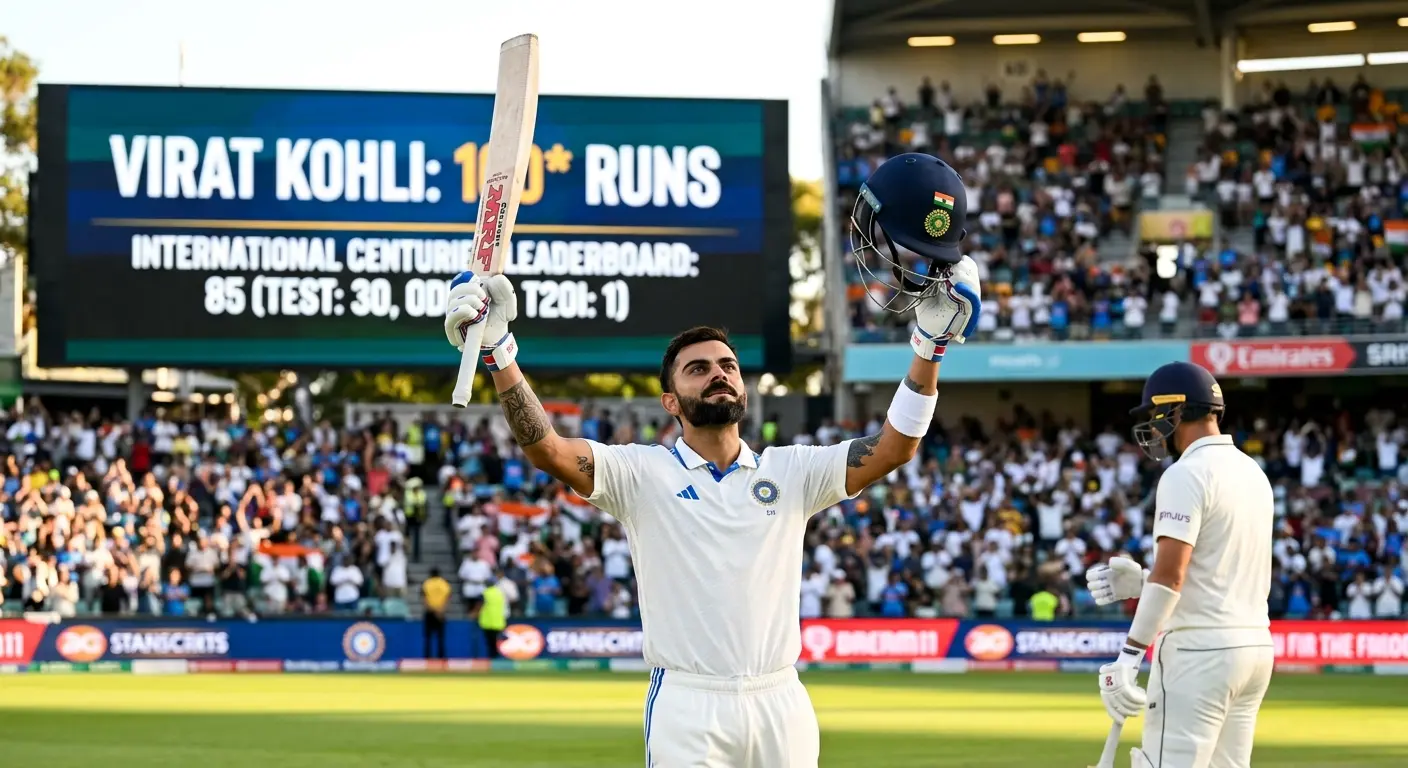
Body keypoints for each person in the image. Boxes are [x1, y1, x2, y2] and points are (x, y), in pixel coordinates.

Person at [443, 152, 981, 767]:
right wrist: (500, 354)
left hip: (781, 698)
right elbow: (549, 450)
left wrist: (930, 347)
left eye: (727, 366)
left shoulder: (792, 471)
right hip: (687, 705)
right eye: (698, 370)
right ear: (671, 400)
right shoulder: (640, 474)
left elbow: (895, 448)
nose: (718, 375)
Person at [1086, 361, 1274, 768]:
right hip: (1254, 649)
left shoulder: (1185, 473)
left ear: (1175, 411)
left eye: (1155, 416)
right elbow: (1215, 567)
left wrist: (1129, 655)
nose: (1152, 430)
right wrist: (1143, 582)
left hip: (1198, 654)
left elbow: (1172, 576)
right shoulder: (1252, 471)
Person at [421, 567, 451, 660]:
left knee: (427, 638)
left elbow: (424, 598)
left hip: (429, 612)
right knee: (441, 638)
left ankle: (427, 657)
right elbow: (447, 598)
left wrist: (432, 610)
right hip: (440, 613)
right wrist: (441, 610)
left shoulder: (427, 583)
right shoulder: (444, 584)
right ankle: (441, 658)